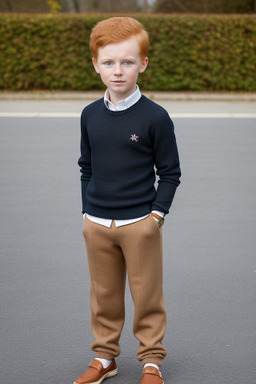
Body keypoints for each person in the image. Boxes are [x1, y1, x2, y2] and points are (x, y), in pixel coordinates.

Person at [75, 16, 181, 384]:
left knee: (147, 296)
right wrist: (87, 211)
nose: (117, 71)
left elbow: (170, 172)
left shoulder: (155, 117)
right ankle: (105, 358)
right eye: (109, 62)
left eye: (127, 62)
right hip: (97, 224)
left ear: (143, 64)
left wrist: (156, 216)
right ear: (95, 65)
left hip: (140, 223)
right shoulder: (89, 115)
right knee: (103, 296)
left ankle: (151, 361)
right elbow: (86, 166)